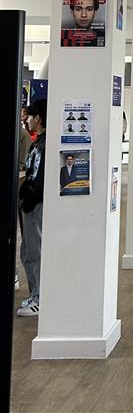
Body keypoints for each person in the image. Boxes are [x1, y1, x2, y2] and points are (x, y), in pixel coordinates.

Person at [17, 99, 47, 317]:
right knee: (28, 251)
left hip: (35, 205)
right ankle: (35, 294)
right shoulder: (38, 144)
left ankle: (40, 298)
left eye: (29, 116)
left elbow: (37, 179)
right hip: (30, 205)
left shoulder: (44, 146)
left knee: (35, 251)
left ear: (38, 118)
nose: (26, 120)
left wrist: (27, 195)